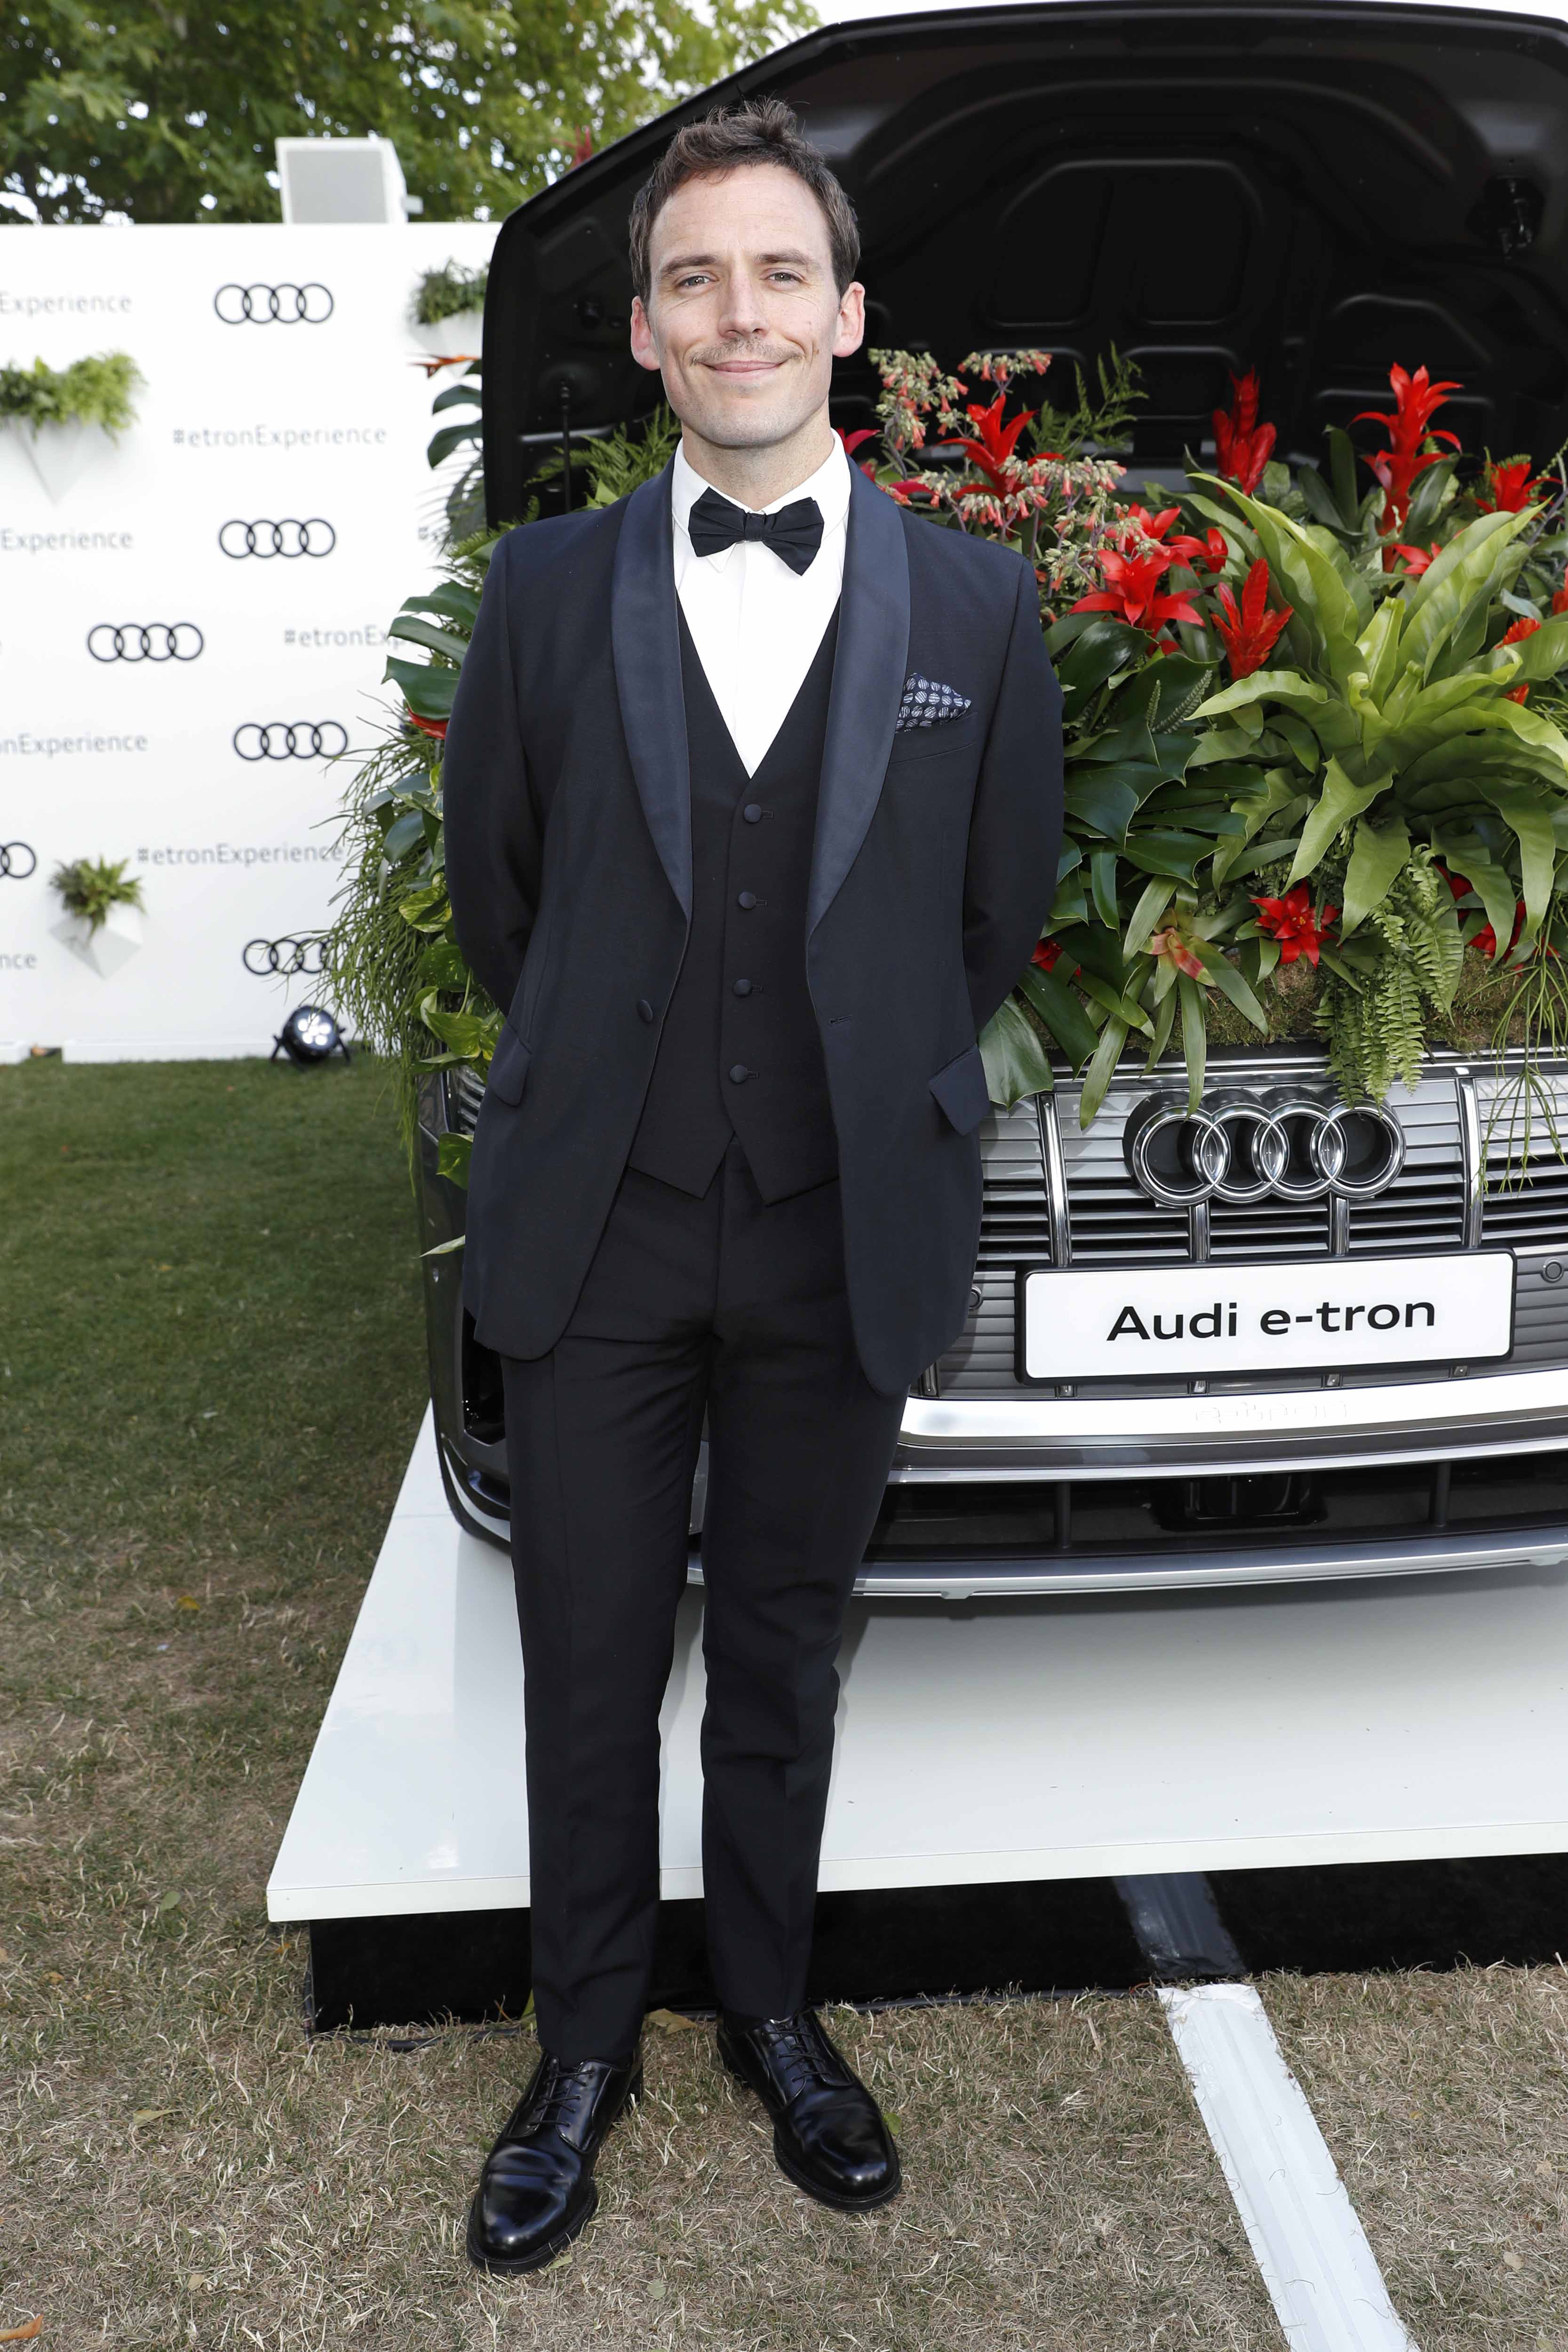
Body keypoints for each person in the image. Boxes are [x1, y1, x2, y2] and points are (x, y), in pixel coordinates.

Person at [443, 95, 1063, 2274]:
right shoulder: (539, 594)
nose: (739, 312)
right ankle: (582, 2045)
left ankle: (776, 2010)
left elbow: (989, 917)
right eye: (694, 276)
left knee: (789, 1648)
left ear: (849, 313)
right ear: (642, 328)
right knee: (590, 1658)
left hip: (840, 1220)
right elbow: (505, 905)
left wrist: (834, 1088)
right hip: (600, 1221)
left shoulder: (981, 601)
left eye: (778, 271)